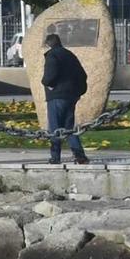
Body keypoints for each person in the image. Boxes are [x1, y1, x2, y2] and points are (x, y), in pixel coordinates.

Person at [38, 33, 90, 166]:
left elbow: (50, 75)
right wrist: (79, 91)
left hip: (57, 95)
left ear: (48, 44)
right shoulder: (70, 55)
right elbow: (82, 75)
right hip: (71, 95)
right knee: (69, 128)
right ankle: (80, 156)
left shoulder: (52, 55)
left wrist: (45, 82)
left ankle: (55, 157)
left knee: (55, 128)